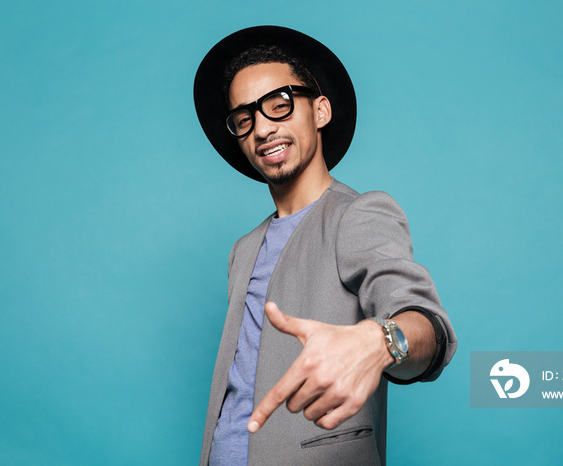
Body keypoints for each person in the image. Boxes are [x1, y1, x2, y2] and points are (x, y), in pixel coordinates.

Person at [193, 26, 457, 466]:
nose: (262, 128)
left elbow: (425, 324)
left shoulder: (360, 214)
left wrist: (382, 340)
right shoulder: (243, 250)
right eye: (245, 118)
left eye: (279, 104)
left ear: (319, 110)